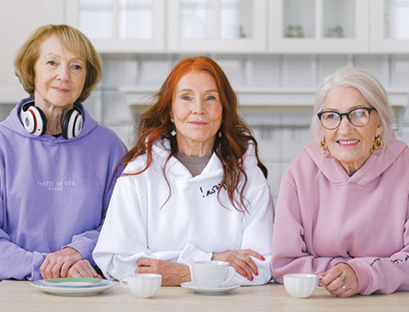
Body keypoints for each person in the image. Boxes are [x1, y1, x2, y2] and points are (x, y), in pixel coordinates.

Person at [0, 24, 127, 298]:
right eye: (52, 62)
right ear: (32, 70)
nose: (64, 75)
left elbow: (121, 226)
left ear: (86, 78)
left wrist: (78, 251)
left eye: (76, 67)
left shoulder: (109, 147)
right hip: (8, 294)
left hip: (85, 292)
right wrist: (48, 266)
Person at [93, 56, 274, 286]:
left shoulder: (247, 177)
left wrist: (184, 272)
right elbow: (116, 260)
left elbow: (260, 267)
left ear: (224, 110)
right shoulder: (139, 174)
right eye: (186, 98)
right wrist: (212, 261)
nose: (198, 109)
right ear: (170, 110)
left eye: (210, 98)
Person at [271, 66, 409, 297]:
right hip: (321, 303)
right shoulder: (299, 173)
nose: (344, 129)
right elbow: (286, 265)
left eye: (358, 114)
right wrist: (346, 274)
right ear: (322, 127)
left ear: (380, 123)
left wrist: (362, 273)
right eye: (332, 116)